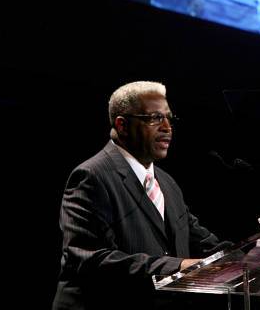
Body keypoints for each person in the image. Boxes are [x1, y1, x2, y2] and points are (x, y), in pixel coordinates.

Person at [52, 81, 230, 310]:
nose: (167, 127)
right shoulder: (91, 176)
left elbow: (204, 242)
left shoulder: (167, 183)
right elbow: (90, 259)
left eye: (169, 118)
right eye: (155, 118)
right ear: (122, 125)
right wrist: (179, 266)